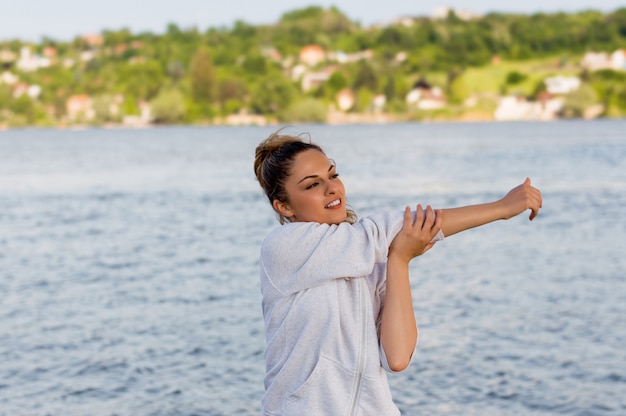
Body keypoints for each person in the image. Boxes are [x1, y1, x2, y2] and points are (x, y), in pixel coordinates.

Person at [253, 130, 542, 415]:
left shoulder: (367, 259)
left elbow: (398, 357)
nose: (332, 189)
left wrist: (399, 261)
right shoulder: (283, 248)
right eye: (312, 185)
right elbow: (389, 229)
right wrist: (502, 208)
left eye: (333, 175)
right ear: (284, 206)